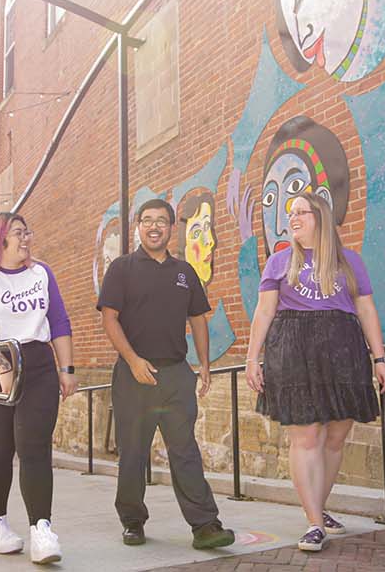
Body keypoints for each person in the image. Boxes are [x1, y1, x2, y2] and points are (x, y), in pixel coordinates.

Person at [243, 192, 385, 552]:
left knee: (337, 436)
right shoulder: (279, 262)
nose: (292, 218)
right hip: (293, 348)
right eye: (290, 213)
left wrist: (380, 358)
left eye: (301, 212)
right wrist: (252, 358)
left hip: (343, 347)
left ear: (320, 217)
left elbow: (366, 310)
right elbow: (264, 313)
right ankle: (313, 522)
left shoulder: (349, 261)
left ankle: (319, 508)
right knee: (307, 436)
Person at [98, 198, 236, 550]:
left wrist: (203, 364)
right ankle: (132, 521)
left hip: (175, 374)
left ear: (172, 227)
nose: (154, 226)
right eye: (147, 220)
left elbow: (198, 319)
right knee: (133, 452)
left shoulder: (185, 272)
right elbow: (109, 319)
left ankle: (205, 525)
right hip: (133, 375)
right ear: (138, 227)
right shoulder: (122, 269)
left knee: (185, 450)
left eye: (162, 221)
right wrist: (132, 361)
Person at [0, 212, 78, 565]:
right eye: (19, 234)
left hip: (37, 363)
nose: (26, 239)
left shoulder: (41, 273)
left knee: (35, 446)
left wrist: (67, 369)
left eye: (26, 232)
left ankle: (42, 529)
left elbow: (59, 320)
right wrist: (4, 368)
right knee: (0, 449)